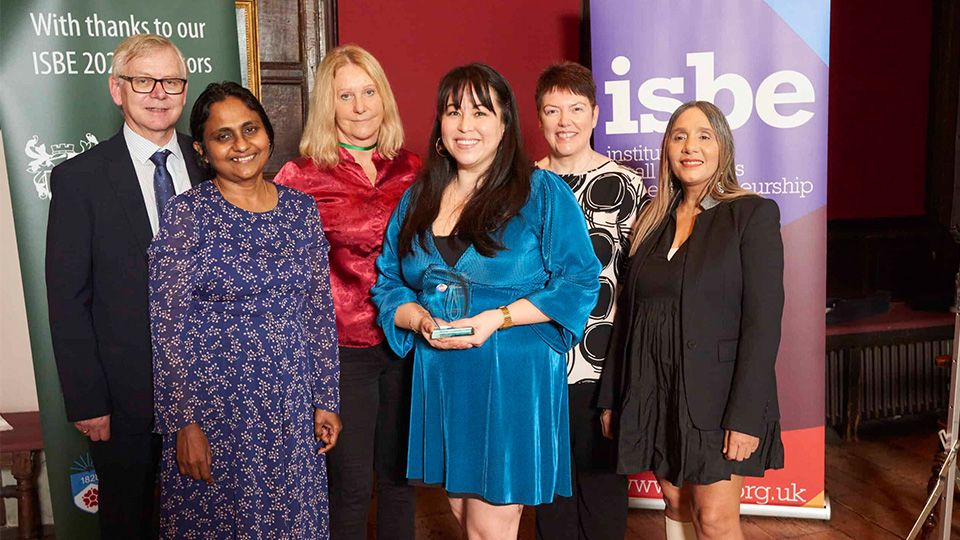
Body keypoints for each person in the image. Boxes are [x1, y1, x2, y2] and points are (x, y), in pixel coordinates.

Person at [371, 63, 601, 540]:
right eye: (454, 112)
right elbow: (390, 279)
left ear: (504, 124)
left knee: (492, 527)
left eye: (481, 112)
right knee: (467, 519)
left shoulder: (542, 192)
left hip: (513, 373)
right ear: (440, 127)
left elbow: (580, 281)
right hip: (442, 373)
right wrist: (416, 320)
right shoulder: (418, 199)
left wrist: (497, 318)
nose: (465, 125)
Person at [149, 81, 341, 539]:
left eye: (250, 129)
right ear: (202, 150)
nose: (240, 145)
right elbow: (167, 327)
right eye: (223, 135)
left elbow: (316, 310)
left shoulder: (301, 210)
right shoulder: (186, 214)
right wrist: (182, 423)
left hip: (290, 406)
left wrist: (326, 399)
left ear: (268, 133)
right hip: (217, 410)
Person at [598, 101, 785, 540]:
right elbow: (628, 314)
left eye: (704, 136)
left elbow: (764, 321)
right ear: (667, 148)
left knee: (715, 519)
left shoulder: (751, 215)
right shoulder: (651, 219)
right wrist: (612, 396)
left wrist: (744, 416)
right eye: (679, 136)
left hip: (718, 399)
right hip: (654, 390)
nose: (690, 146)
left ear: (723, 147)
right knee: (676, 505)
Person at [45, 34, 205, 540]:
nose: (159, 93)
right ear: (118, 89)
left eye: (172, 81)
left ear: (185, 90)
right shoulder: (79, 180)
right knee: (129, 522)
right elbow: (68, 301)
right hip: (123, 396)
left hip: (211, 391)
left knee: (209, 522)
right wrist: (87, 399)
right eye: (144, 80)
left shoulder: (214, 168)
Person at [273, 44, 420, 540]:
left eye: (369, 91)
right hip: (341, 351)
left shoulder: (415, 170)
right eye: (345, 95)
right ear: (327, 106)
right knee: (351, 486)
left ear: (385, 98)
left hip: (409, 344)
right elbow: (279, 275)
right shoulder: (300, 177)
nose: (360, 106)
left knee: (402, 482)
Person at [532, 61, 647, 540]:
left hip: (601, 368)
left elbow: (636, 289)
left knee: (602, 501)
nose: (565, 121)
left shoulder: (626, 186)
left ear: (596, 114)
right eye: (553, 109)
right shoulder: (520, 185)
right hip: (536, 363)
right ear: (537, 116)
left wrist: (623, 383)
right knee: (550, 502)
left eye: (576, 108)